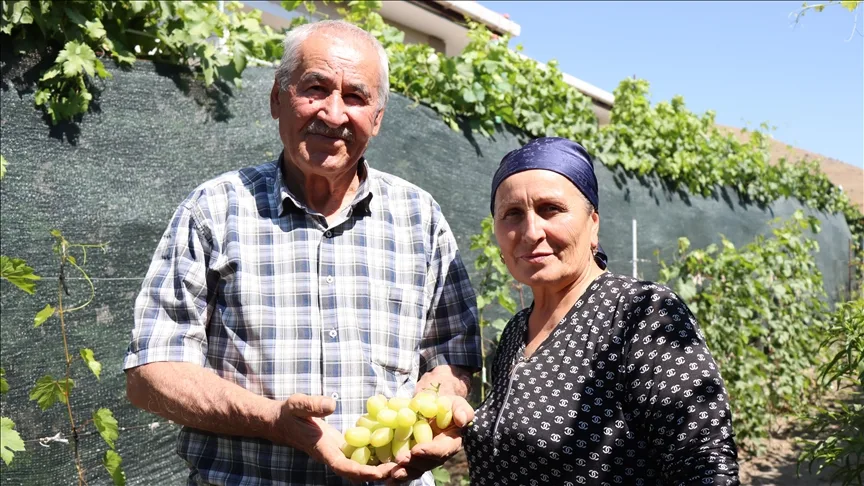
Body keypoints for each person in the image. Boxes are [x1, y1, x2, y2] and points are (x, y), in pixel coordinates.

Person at [123, 20, 480, 486]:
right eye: (315, 88)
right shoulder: (214, 209)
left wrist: (433, 417)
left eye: (355, 96)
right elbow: (151, 371)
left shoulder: (420, 218)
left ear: (377, 117)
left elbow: (451, 354)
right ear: (277, 98)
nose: (333, 113)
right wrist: (273, 420)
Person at [462, 137, 740, 485]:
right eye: (512, 214)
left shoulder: (640, 314)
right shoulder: (516, 331)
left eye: (551, 209)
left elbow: (703, 464)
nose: (531, 232)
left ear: (592, 223)